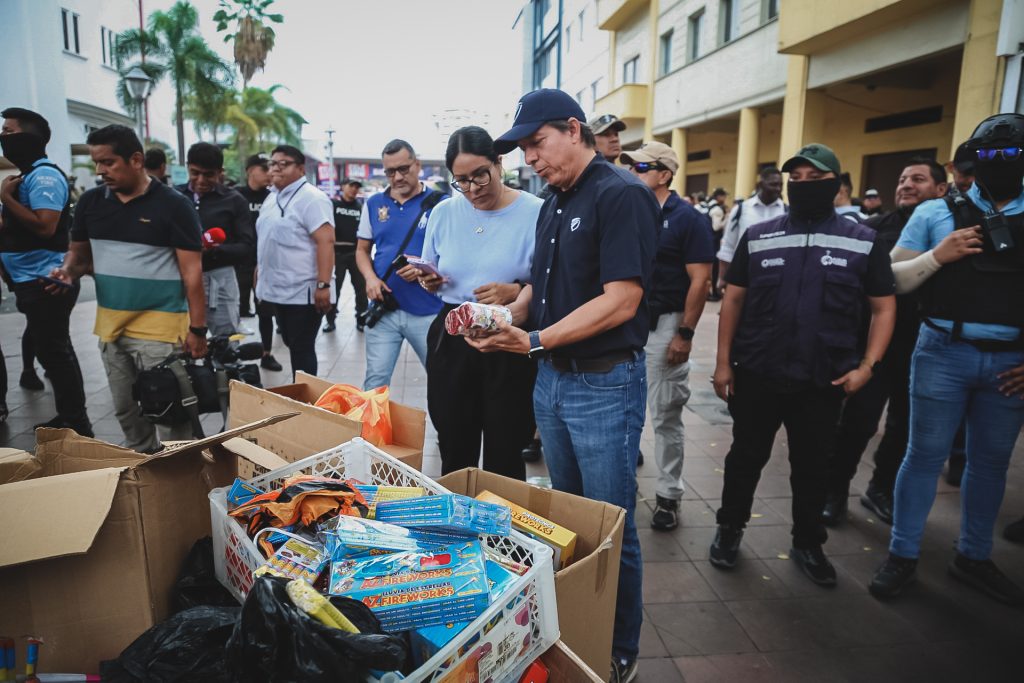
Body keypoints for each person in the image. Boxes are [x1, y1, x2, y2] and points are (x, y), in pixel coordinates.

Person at [469, 89, 659, 683]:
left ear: (574, 130)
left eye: (537, 143)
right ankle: (576, 622)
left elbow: (622, 300)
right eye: (524, 148)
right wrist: (505, 319)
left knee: (609, 526)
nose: (530, 158)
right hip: (551, 379)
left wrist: (534, 340)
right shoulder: (553, 200)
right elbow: (541, 287)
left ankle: (618, 643)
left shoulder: (621, 194)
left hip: (603, 385)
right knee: (568, 519)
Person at [710, 143, 896, 587]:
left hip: (823, 378)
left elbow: (884, 307)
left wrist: (868, 366)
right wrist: (722, 363)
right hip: (758, 372)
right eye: (796, 179)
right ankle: (729, 529)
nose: (803, 185)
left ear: (837, 184)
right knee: (745, 458)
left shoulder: (862, 240)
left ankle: (808, 542)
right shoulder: (760, 236)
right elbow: (733, 300)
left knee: (813, 466)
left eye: (815, 179)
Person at [869, 113, 1024, 605]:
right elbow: (893, 279)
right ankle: (902, 554)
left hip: (1011, 364)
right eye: (990, 153)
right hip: (943, 352)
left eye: (1012, 153)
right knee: (923, 456)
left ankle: (973, 556)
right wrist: (939, 255)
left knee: (990, 464)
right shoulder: (936, 212)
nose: (1000, 161)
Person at [48, 124, 206, 452]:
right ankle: (144, 469)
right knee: (126, 412)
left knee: (169, 414)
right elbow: (78, 256)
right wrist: (67, 272)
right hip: (111, 330)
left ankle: (178, 472)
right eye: (97, 162)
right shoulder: (91, 202)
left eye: (108, 162)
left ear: (136, 160)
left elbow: (192, 272)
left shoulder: (174, 205)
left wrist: (198, 330)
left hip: (161, 332)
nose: (100, 170)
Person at [822, 158, 948, 527]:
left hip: (926, 348)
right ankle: (834, 491)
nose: (906, 185)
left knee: (904, 426)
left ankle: (880, 489)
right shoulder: (872, 230)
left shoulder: (952, 231)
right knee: (857, 422)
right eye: (903, 179)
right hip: (877, 346)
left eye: (918, 179)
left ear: (941, 189)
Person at [416, 126, 542, 479]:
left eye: (480, 175)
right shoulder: (444, 212)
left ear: (499, 163)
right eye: (462, 181)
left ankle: (502, 514)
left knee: (507, 446)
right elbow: (432, 272)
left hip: (509, 337)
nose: (473, 189)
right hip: (453, 335)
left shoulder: (536, 211)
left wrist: (515, 290)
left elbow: (551, 280)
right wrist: (430, 280)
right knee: (454, 442)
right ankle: (457, 510)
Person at [621, 141, 713, 531]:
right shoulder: (627, 211)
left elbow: (701, 280)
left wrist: (685, 334)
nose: (633, 172)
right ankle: (621, 491)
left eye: (642, 167)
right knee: (624, 414)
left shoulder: (688, 219)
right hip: (626, 326)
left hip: (665, 326)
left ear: (665, 174)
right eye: (631, 166)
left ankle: (668, 495)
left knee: (665, 415)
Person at [0, 107, 93, 436]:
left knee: (55, 353)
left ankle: (77, 423)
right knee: (54, 350)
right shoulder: (26, 177)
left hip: (46, 281)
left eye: (9, 132)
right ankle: (70, 416)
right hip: (30, 279)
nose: (3, 138)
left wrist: (5, 198)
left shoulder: (44, 177)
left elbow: (45, 225)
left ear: (30, 138)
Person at [355, 139, 446, 390]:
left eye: (403, 169)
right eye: (390, 172)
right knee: (375, 382)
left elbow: (455, 254)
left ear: (417, 165)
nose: (397, 177)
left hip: (428, 309)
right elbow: (362, 250)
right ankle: (372, 419)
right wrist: (370, 279)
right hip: (384, 308)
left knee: (440, 380)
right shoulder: (374, 203)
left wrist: (425, 269)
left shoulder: (440, 203)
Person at [254, 144, 334, 378]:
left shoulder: (312, 198)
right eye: (273, 163)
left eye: (284, 164)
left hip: (304, 292)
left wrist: (323, 284)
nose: (276, 168)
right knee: (290, 341)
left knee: (301, 348)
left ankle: (306, 396)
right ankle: (301, 391)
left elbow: (326, 241)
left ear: (300, 169)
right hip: (278, 290)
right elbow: (266, 239)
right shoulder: (272, 198)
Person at [175, 142, 254, 337]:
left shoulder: (234, 201)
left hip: (219, 277)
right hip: (178, 277)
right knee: (181, 339)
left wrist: (215, 250)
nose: (201, 180)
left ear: (220, 172)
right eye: (195, 173)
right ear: (187, 167)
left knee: (226, 339)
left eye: (208, 175)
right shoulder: (173, 197)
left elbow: (246, 246)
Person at [235, 153, 282, 372]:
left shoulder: (273, 197)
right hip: (238, 263)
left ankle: (266, 354)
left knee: (266, 312)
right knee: (234, 312)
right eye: (264, 169)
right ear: (250, 171)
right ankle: (232, 355)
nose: (269, 173)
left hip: (264, 265)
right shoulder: (235, 196)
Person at [716, 167, 786, 289]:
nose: (778, 189)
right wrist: (722, 278)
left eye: (781, 185)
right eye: (773, 184)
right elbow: (728, 246)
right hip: (744, 277)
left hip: (777, 278)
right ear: (760, 185)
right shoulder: (741, 210)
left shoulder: (786, 211)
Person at [324, 178, 367, 333]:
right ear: (342, 187)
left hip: (355, 253)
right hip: (336, 254)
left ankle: (361, 319)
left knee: (361, 289)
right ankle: (330, 321)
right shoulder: (333, 205)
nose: (354, 189)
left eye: (357, 187)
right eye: (351, 186)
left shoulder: (360, 208)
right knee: (334, 289)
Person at [706, 187, 728, 300]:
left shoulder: (707, 206)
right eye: (724, 196)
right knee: (714, 269)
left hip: (707, 241)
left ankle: (710, 292)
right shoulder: (717, 210)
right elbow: (716, 227)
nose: (725, 198)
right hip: (714, 242)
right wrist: (727, 219)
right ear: (719, 196)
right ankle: (714, 292)